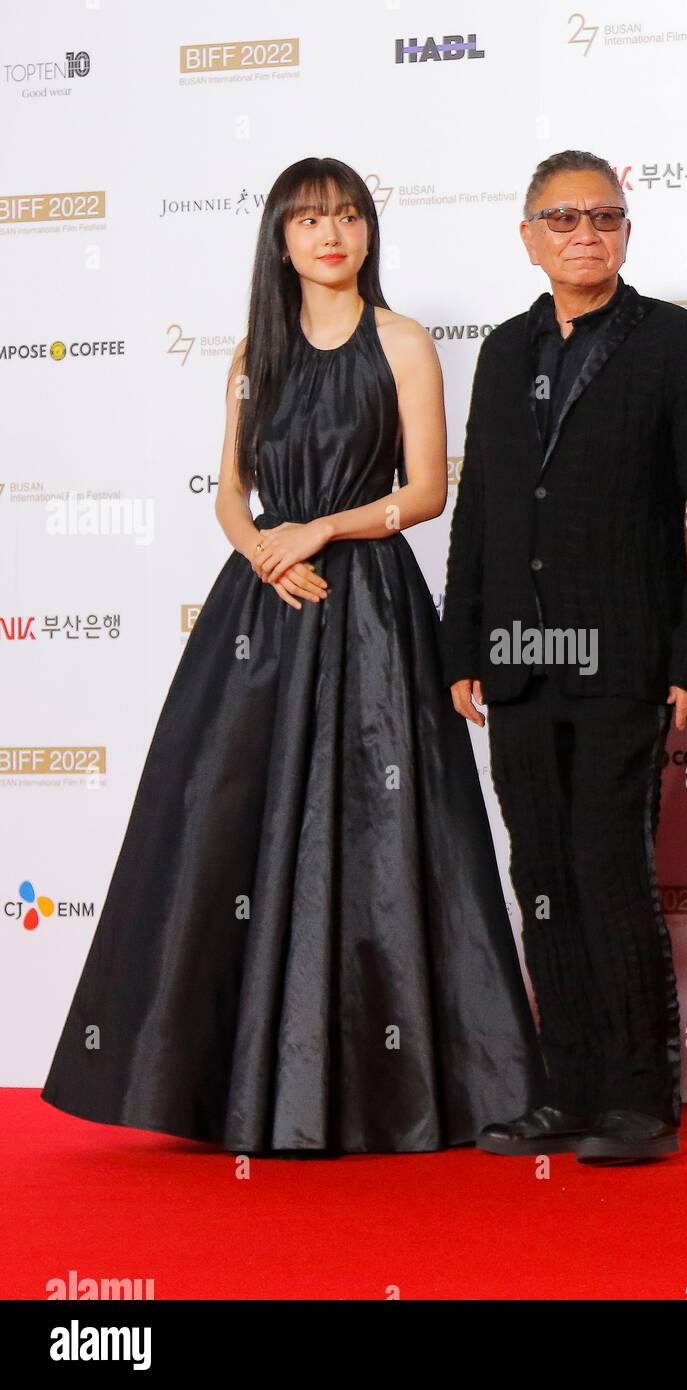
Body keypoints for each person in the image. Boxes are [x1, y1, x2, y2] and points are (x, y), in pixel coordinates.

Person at [40, 156, 544, 1155]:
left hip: (370, 607)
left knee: (389, 831)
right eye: (312, 219)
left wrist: (319, 531)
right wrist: (262, 546)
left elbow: (429, 491)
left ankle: (405, 1085)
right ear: (279, 237)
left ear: (368, 233)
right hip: (263, 606)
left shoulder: (401, 341)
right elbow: (230, 490)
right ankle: (231, 1085)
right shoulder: (251, 353)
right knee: (226, 825)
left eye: (349, 216)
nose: (333, 234)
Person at [440, 149, 687, 1165]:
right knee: (541, 872)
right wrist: (462, 642)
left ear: (626, 232)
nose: (585, 234)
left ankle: (642, 1097)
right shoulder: (500, 349)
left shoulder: (673, 346)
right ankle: (565, 1087)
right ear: (528, 236)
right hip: (517, 656)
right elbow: (480, 505)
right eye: (563, 219)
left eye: (604, 218)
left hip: (625, 657)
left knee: (611, 868)